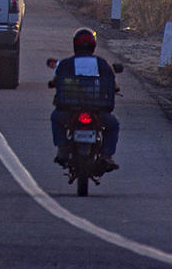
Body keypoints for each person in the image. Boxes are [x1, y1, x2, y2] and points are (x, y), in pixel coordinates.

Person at [48, 28, 120, 170]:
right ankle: (107, 155)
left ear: (75, 45)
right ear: (94, 45)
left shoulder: (66, 64)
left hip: (69, 108)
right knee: (113, 125)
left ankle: (62, 148)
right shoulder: (102, 63)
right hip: (98, 109)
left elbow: (57, 79)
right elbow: (113, 82)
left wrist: (53, 83)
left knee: (56, 118)